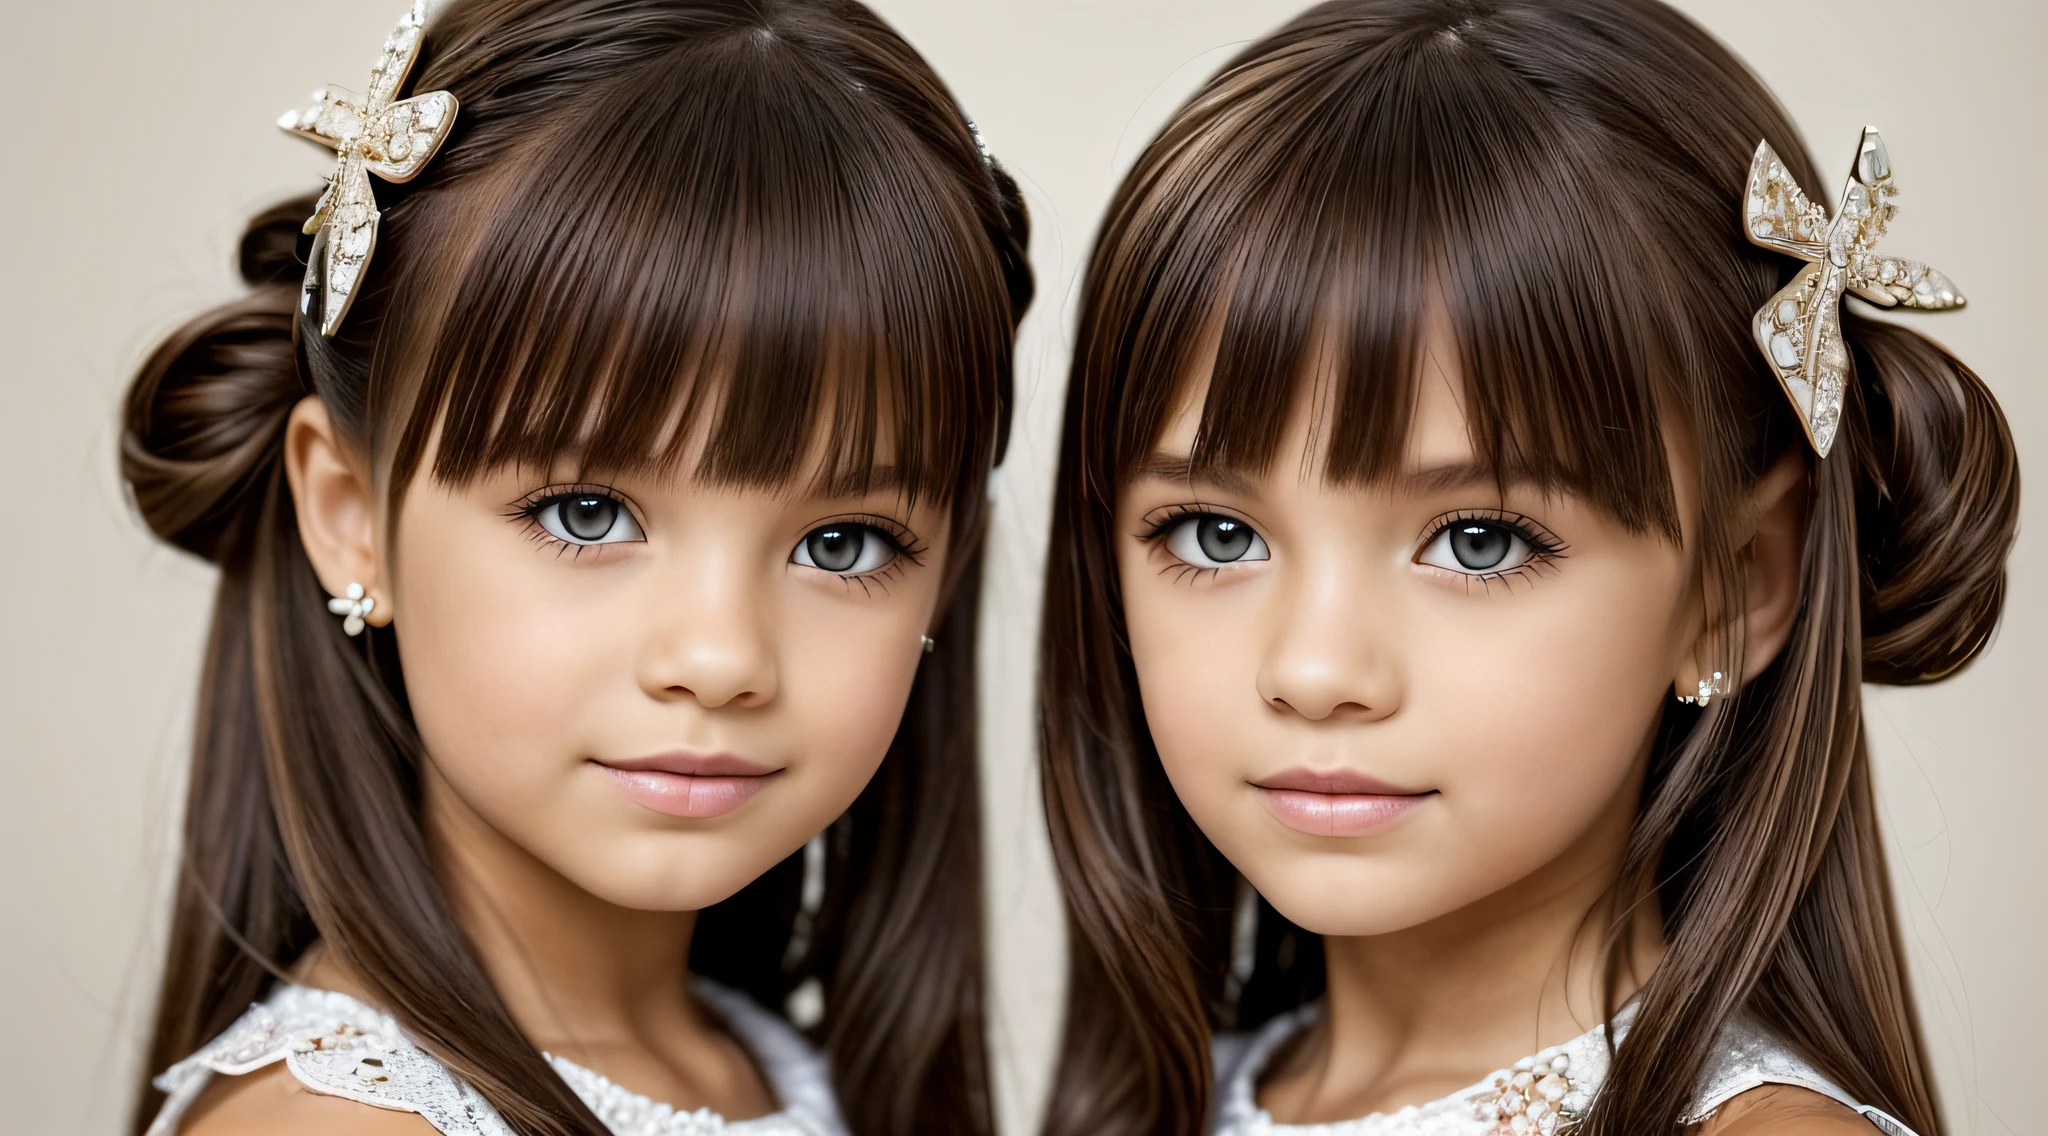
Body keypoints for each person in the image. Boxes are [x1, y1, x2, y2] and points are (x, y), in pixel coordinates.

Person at [1037, 1, 2012, 1134]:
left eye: (1476, 540)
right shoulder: (1164, 1100)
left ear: (1736, 581)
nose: (1312, 670)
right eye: (1215, 534)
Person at [122, 1, 1031, 1132]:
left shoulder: (772, 1062)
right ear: (349, 511)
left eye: (838, 543)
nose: (718, 656)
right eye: (588, 513)